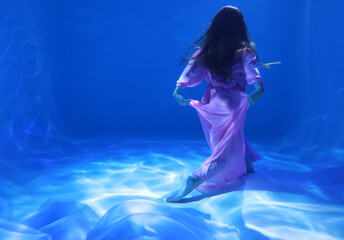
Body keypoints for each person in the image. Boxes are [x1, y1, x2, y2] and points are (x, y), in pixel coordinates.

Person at [166, 6, 278, 203]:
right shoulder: (244, 52)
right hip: (233, 104)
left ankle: (246, 161)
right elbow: (253, 74)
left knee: (231, 139)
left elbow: (190, 73)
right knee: (224, 151)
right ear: (239, 26)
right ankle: (195, 178)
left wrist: (178, 89)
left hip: (212, 102)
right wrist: (258, 89)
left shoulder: (206, 52)